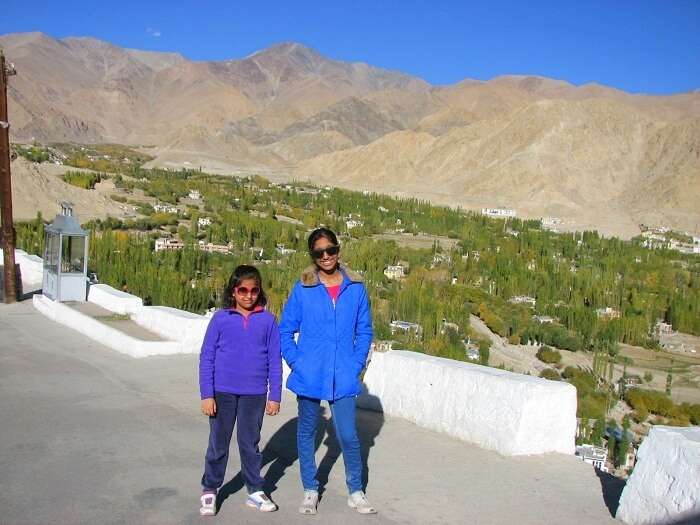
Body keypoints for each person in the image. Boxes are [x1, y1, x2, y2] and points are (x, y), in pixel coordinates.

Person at [280, 228, 377, 515]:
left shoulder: (356, 288)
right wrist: (297, 362)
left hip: (344, 375)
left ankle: (356, 491)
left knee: (348, 435)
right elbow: (286, 330)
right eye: (318, 252)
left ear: (338, 249)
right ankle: (310, 489)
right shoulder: (304, 287)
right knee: (307, 433)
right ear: (313, 255)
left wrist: (356, 364)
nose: (325, 256)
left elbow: (365, 330)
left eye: (330, 250)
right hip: (310, 374)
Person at [198, 265, 282, 516]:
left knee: (250, 444)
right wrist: (207, 394)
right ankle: (210, 489)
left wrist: (274, 395)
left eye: (254, 289)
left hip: (254, 394)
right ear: (233, 291)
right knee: (218, 444)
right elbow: (207, 356)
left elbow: (274, 360)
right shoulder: (221, 319)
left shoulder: (268, 321)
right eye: (242, 289)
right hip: (222, 392)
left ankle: (255, 490)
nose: (248, 295)